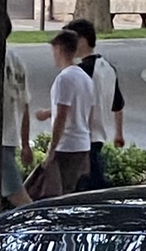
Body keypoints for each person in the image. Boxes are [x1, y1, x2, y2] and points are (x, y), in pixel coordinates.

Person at [31, 24, 95, 197]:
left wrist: (51, 150)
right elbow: (85, 111)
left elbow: (62, 115)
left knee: (55, 194)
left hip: (66, 146)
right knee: (70, 192)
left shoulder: (64, 79)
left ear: (59, 49)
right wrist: (48, 112)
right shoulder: (85, 78)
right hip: (81, 144)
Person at [70, 16, 126, 186]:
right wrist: (118, 133)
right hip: (99, 135)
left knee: (88, 185)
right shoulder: (108, 68)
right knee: (91, 180)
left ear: (82, 40)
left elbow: (79, 105)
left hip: (84, 137)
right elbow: (118, 105)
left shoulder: (82, 71)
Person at [2, 41, 33, 205]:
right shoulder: (17, 60)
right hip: (9, 137)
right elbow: (24, 105)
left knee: (18, 197)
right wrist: (25, 143)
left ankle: (38, 224)